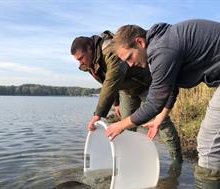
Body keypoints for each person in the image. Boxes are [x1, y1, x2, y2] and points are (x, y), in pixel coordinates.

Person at [107, 19, 220, 189]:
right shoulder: (164, 41)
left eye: (130, 57)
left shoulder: (161, 49)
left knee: (208, 143)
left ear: (140, 42)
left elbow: (155, 100)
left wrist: (120, 125)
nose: (130, 64)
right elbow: (171, 88)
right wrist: (159, 120)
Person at [70, 31, 182, 162]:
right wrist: (116, 103)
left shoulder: (109, 49)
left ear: (89, 48)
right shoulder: (89, 64)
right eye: (78, 60)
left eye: (81, 58)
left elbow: (111, 80)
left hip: (145, 84)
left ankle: (177, 159)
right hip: (126, 91)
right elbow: (106, 82)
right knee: (126, 126)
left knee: (161, 121)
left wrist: (98, 114)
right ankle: (130, 160)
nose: (80, 63)